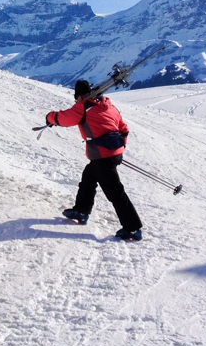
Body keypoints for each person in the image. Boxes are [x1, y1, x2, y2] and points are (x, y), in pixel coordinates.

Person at [46, 79, 143, 241]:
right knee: (89, 177)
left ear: (79, 95)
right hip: (113, 153)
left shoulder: (83, 107)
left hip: (103, 157)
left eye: (76, 97)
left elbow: (64, 118)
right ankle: (81, 211)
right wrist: (118, 148)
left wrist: (49, 118)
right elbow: (123, 128)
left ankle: (132, 228)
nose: (76, 100)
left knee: (115, 192)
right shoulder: (108, 106)